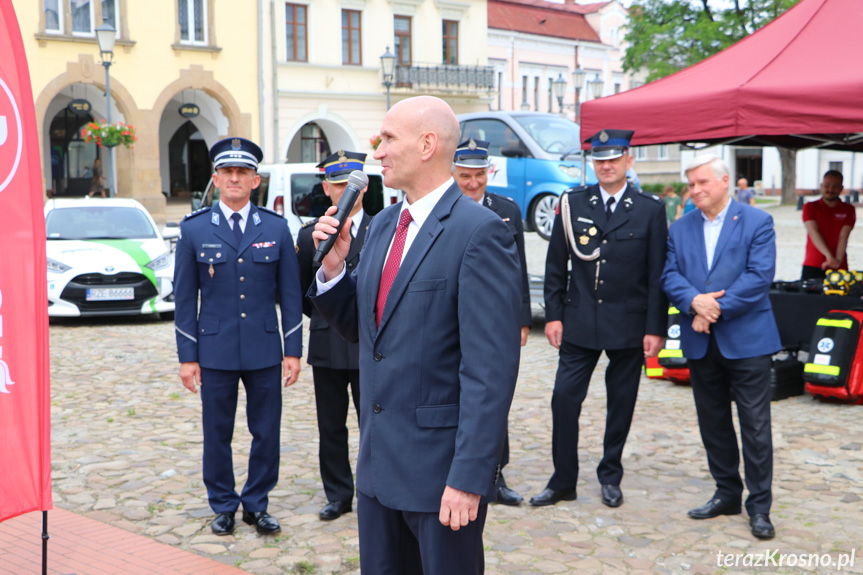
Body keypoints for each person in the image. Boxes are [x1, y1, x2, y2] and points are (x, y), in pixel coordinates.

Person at [309, 96, 522, 575]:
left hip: (439, 476)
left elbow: (489, 372)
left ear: (427, 144)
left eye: (387, 140)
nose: (377, 153)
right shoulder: (384, 225)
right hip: (379, 467)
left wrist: (469, 477)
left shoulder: (479, 233)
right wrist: (334, 269)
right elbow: (368, 331)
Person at [173, 137, 303, 537]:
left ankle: (257, 504)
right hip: (215, 349)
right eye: (227, 172)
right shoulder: (194, 230)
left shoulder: (276, 228)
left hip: (265, 349)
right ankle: (224, 504)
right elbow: (183, 297)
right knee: (217, 433)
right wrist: (187, 356)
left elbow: (292, 295)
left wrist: (293, 350)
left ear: (255, 181)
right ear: (215, 178)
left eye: (242, 173)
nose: (234, 179)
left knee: (266, 431)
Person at [533, 129, 667, 509]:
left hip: (628, 324)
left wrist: (656, 327)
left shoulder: (650, 209)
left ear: (628, 160)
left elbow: (657, 274)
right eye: (599, 159)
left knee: (620, 403)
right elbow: (556, 265)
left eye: (613, 159)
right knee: (563, 400)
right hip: (579, 319)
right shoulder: (573, 203)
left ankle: (611, 475)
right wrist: (554, 315)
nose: (606, 166)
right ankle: (563, 480)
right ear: (592, 163)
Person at [661, 154, 780, 540]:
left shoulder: (757, 221)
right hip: (701, 342)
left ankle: (759, 506)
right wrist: (695, 303)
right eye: (690, 184)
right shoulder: (679, 228)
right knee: (712, 423)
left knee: (755, 426)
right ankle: (727, 492)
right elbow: (670, 274)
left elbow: (759, 277)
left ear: (725, 181)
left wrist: (712, 310)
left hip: (747, 341)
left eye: (701, 183)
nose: (694, 190)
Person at [451, 138, 531, 506]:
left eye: (479, 176)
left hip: (497, 320)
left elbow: (520, 269)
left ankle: (496, 475)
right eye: (465, 176)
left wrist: (522, 318)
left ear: (489, 172)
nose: (472, 184)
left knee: (494, 395)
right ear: (453, 173)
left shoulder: (506, 209)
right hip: (454, 319)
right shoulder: (447, 209)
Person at [296, 150, 370, 521]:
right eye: (337, 185)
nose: (344, 193)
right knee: (331, 425)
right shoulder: (311, 235)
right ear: (326, 188)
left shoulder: (384, 227)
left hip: (369, 345)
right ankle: (338, 494)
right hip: (326, 343)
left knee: (372, 422)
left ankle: (374, 488)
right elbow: (302, 293)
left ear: (365, 186)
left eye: (350, 185)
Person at [801, 170, 856, 280]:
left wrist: (837, 260)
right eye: (827, 185)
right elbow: (813, 232)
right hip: (813, 263)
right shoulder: (810, 207)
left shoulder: (848, 209)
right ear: (821, 186)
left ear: (841, 188)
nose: (830, 189)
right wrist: (829, 257)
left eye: (835, 186)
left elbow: (843, 236)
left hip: (839, 264)